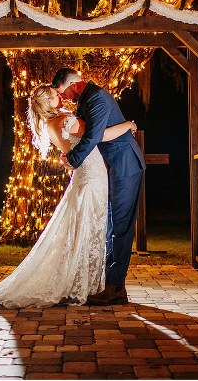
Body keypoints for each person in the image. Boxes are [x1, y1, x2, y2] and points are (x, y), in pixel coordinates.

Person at [0, 84, 136, 309]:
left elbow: (72, 149)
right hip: (91, 178)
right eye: (54, 96)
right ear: (47, 103)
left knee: (85, 230)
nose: (59, 96)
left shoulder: (51, 125)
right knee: (90, 229)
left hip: (84, 177)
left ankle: (85, 282)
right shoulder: (66, 121)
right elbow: (101, 135)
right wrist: (129, 125)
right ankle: (85, 284)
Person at [52, 67, 145, 306]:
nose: (64, 99)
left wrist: (72, 160)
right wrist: (127, 125)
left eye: (63, 93)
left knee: (121, 226)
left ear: (73, 83)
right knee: (111, 222)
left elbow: (93, 136)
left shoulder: (96, 97)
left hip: (125, 164)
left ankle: (116, 288)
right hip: (113, 166)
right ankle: (110, 282)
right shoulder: (86, 100)